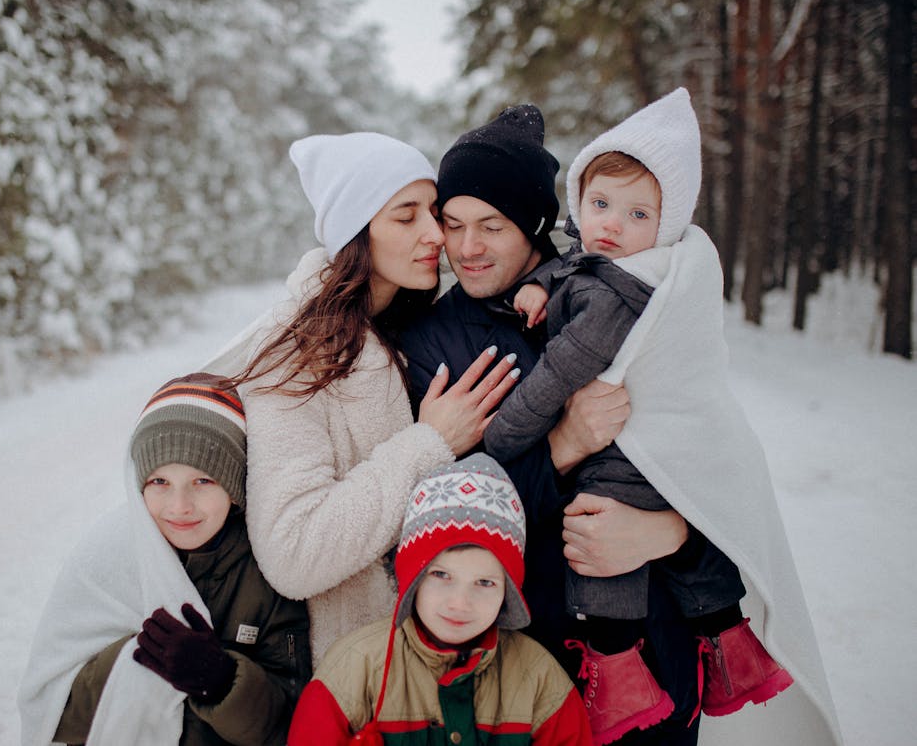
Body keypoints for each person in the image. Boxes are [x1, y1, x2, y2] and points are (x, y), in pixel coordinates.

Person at [399, 102, 843, 746]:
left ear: (536, 223)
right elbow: (431, 526)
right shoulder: (433, 343)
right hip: (529, 659)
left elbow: (708, 456)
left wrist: (672, 534)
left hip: (659, 648)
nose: (467, 249)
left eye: (491, 225)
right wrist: (563, 446)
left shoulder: (645, 304)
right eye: (454, 224)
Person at [481, 88, 792, 744]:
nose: (612, 225)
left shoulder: (621, 294)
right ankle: (724, 641)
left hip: (635, 468)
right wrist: (542, 283)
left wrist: (506, 432)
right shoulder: (611, 266)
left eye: (637, 212)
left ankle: (621, 668)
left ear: (668, 224)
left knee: (606, 529)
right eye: (599, 204)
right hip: (544, 630)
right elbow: (579, 259)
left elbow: (559, 372)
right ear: (573, 207)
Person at [203, 131, 521, 665]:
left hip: (434, 656)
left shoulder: (406, 327)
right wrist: (430, 443)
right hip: (355, 674)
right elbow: (293, 551)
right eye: (405, 216)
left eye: (433, 212)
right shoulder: (299, 354)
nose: (435, 234)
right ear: (357, 231)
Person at [18, 373, 311, 746]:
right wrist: (137, 662)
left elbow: (289, 726)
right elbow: (52, 713)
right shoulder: (106, 559)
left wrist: (221, 681)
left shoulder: (266, 571)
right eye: (159, 482)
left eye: (204, 481)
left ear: (235, 487)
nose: (179, 506)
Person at [287, 453, 593, 745]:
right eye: (441, 576)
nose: (460, 603)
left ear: (507, 592)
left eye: (484, 582)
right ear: (413, 578)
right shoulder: (355, 669)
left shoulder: (539, 679)